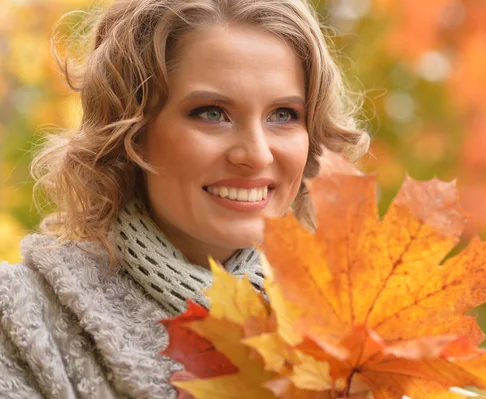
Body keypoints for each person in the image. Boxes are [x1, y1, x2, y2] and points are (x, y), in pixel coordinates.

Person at [0, 0, 369, 397]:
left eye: (283, 115)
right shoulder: (21, 317)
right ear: (132, 130)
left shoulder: (357, 334)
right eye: (212, 113)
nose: (258, 154)